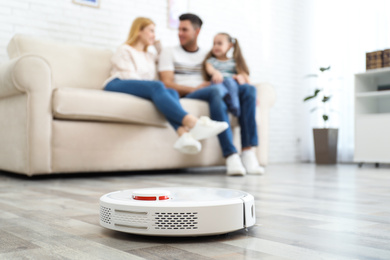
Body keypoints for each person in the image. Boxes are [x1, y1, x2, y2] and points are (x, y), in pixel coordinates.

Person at [103, 17, 228, 155]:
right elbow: (130, 78)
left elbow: (161, 60)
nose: (153, 35)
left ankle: (183, 135)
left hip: (140, 86)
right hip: (118, 83)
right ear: (139, 31)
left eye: (154, 32)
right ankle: (193, 123)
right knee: (157, 86)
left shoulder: (150, 54)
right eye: (151, 31)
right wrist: (149, 90)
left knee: (171, 92)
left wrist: (157, 47)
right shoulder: (125, 49)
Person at [159, 13, 265, 176]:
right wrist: (195, 89)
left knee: (248, 90)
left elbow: (226, 70)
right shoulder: (169, 52)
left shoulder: (207, 56)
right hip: (191, 93)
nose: (180, 33)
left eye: (184, 29)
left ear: (197, 31)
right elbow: (165, 83)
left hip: (213, 91)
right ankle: (230, 154)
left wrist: (242, 78)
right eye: (179, 29)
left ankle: (248, 151)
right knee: (217, 90)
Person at [202, 32, 251, 117]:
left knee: (230, 81)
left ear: (230, 46)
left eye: (219, 43)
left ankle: (234, 105)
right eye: (214, 44)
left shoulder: (234, 62)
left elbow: (244, 75)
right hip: (218, 82)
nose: (216, 46)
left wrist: (240, 77)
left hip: (231, 83)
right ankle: (227, 99)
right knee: (217, 88)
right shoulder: (211, 61)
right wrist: (215, 73)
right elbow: (209, 69)